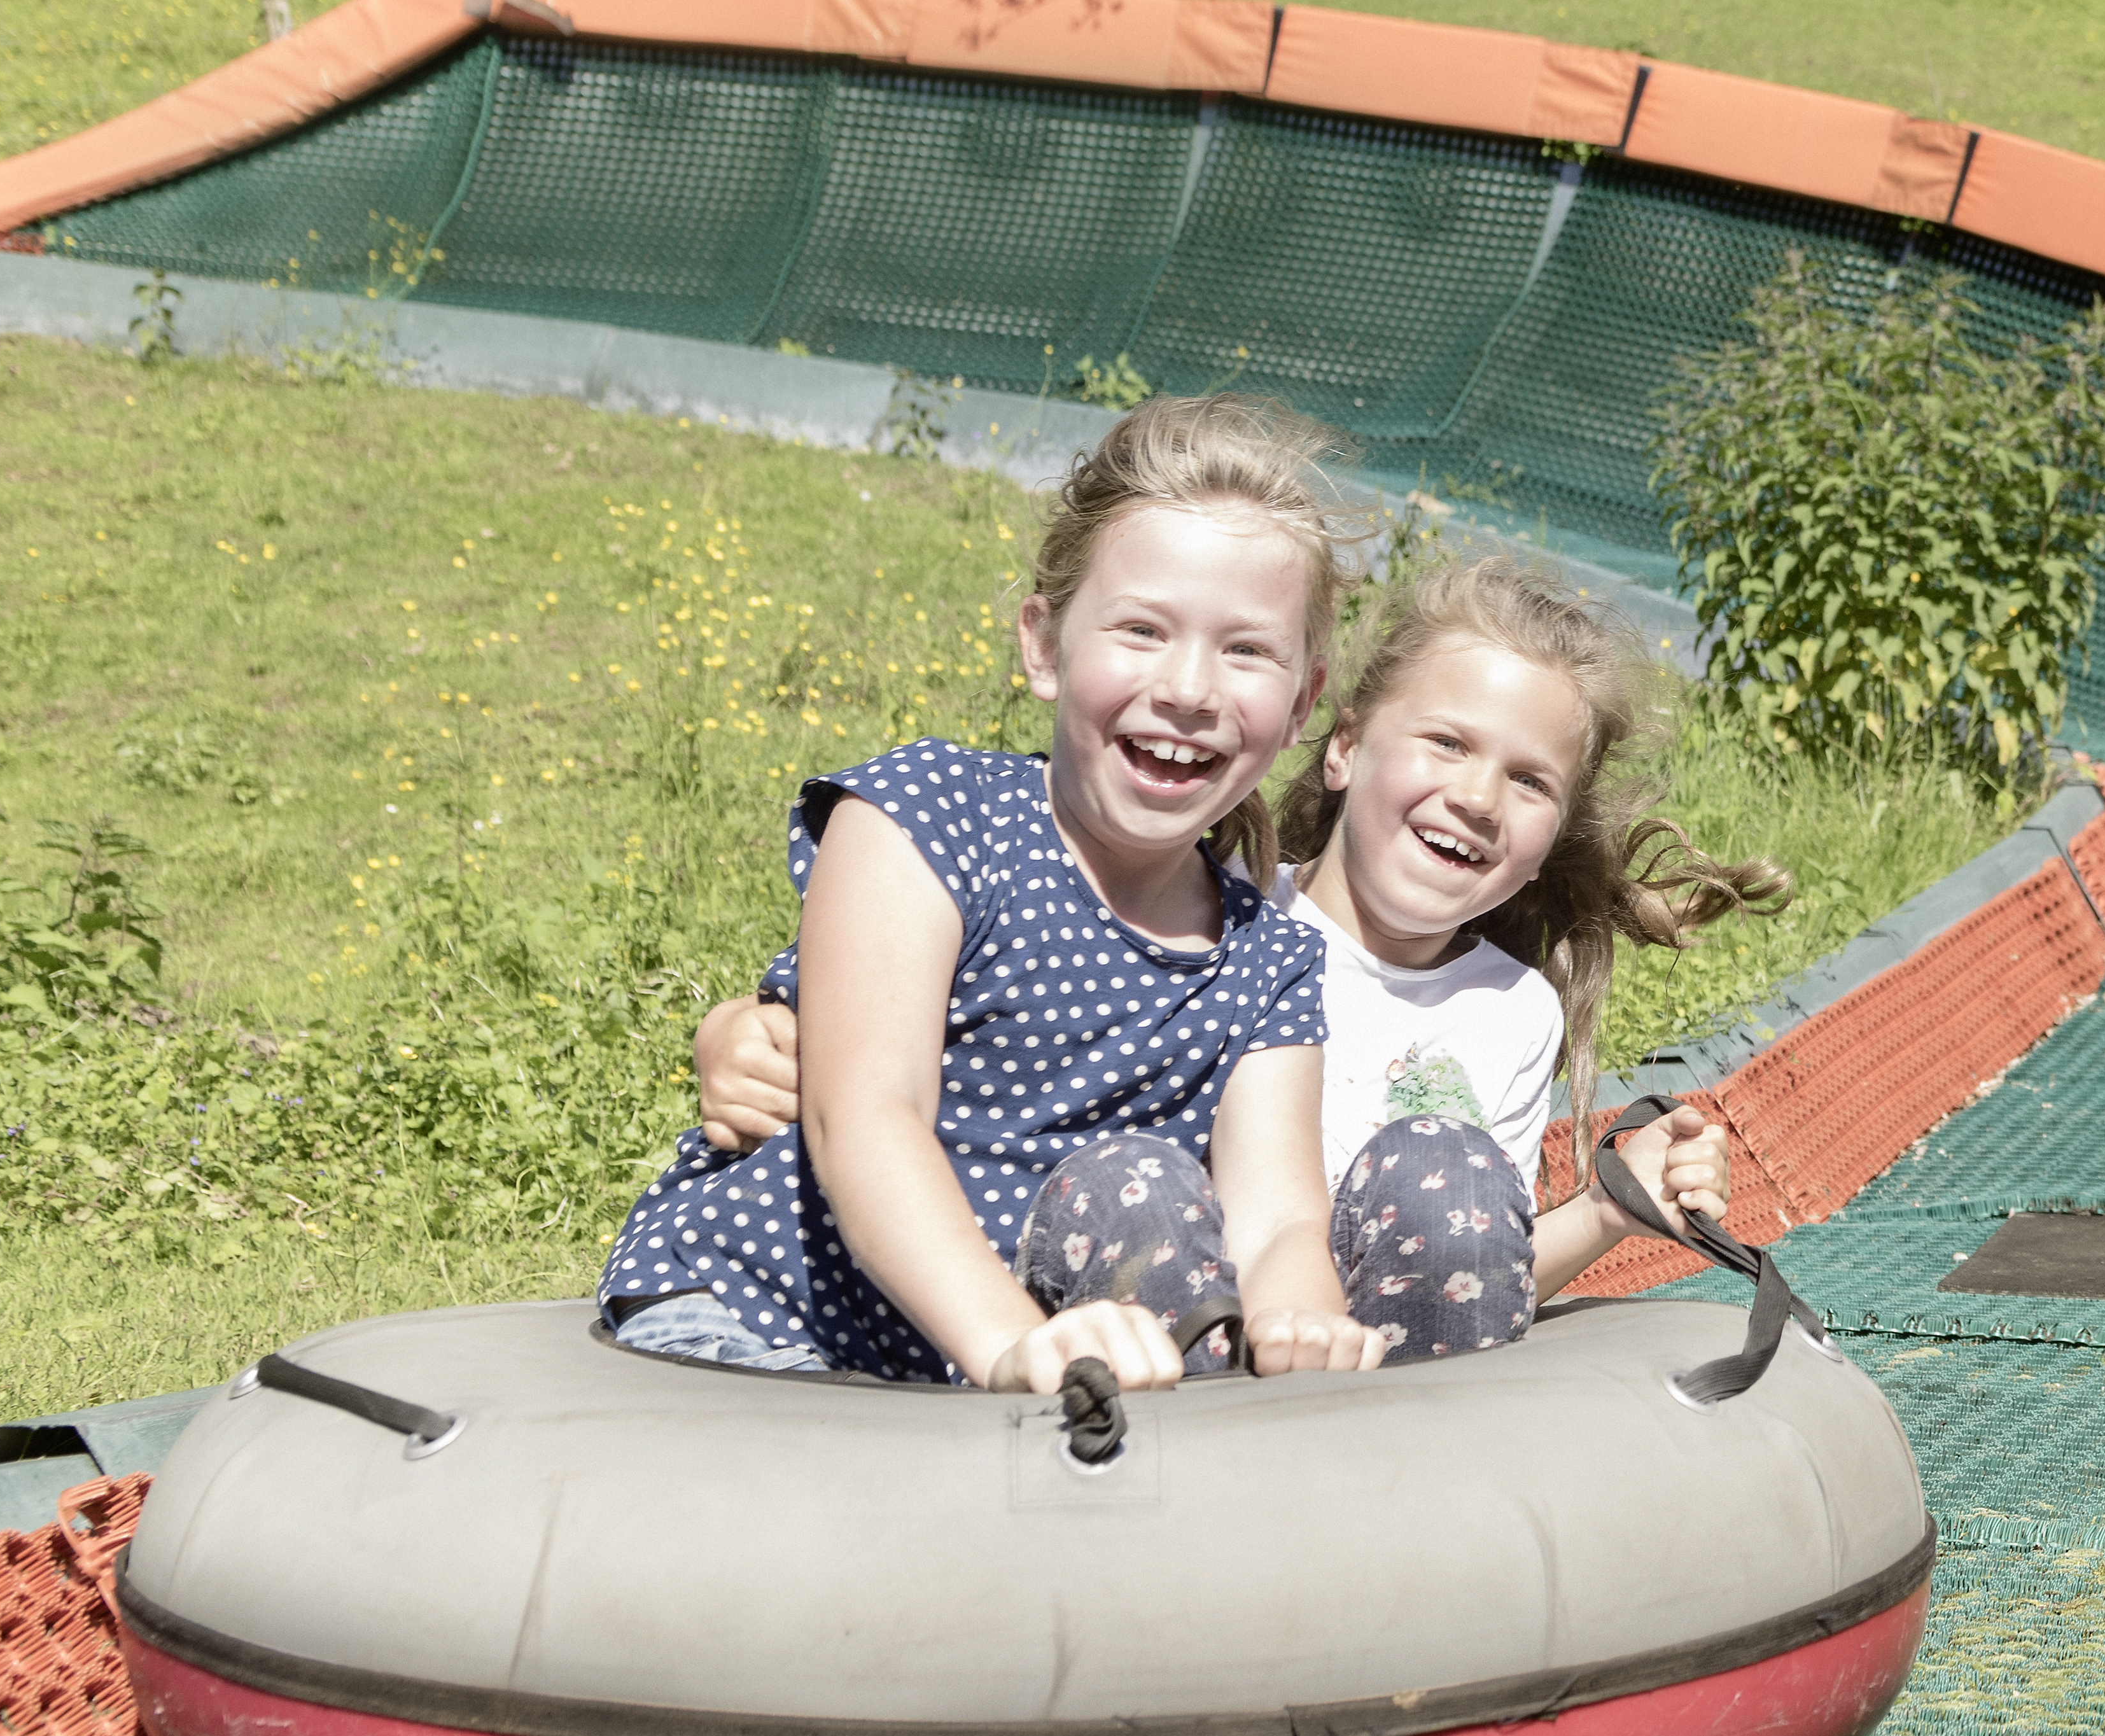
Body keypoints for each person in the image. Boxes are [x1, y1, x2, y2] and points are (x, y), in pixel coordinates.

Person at [687, 552, 1787, 1359]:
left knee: (1442, 1166)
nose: (1476, 797)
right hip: (1163, 1321)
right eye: (1446, 743)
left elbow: (1469, 1263)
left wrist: (1605, 1210)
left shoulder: (1510, 1016)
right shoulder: (1222, 918)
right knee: (1145, 1186)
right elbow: (951, 1005)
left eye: (1529, 780)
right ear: (1346, 745)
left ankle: (1423, 1533)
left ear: (1556, 830)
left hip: (1359, 1373)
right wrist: (743, 1032)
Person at [598, 395, 1387, 1395]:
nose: (1191, 688)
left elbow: (1278, 1216)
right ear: (1045, 647)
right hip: (765, 1318)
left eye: (1246, 651)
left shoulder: (1270, 958)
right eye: (1142, 630)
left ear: (1303, 702)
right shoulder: (928, 820)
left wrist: (1303, 1322)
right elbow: (868, 1118)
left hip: (1013, 1370)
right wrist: (1010, 1342)